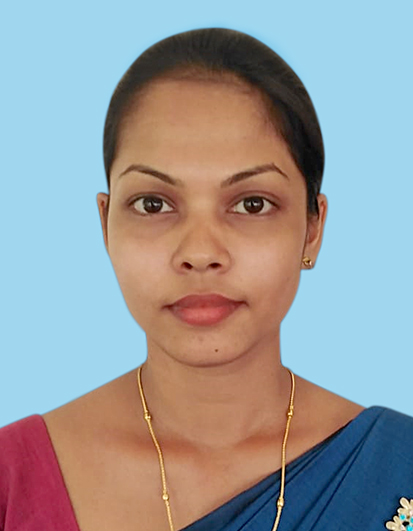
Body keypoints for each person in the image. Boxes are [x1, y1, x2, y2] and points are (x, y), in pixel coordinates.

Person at [0, 27, 412, 531]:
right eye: (153, 204)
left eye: (251, 204)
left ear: (312, 229)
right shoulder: (12, 480)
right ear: (105, 225)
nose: (199, 253)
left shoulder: (397, 468)